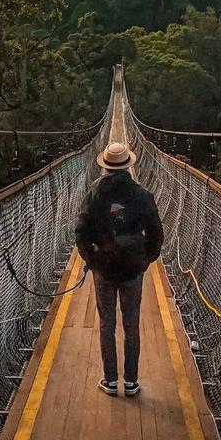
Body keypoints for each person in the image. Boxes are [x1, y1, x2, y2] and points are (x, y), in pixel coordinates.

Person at [75, 141, 164, 397]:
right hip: (132, 269)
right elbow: (157, 234)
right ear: (129, 165)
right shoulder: (142, 195)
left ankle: (111, 381)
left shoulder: (94, 193)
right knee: (132, 323)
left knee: (107, 324)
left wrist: (92, 261)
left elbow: (80, 231)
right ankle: (132, 382)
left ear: (105, 167)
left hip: (105, 267)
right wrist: (146, 259)